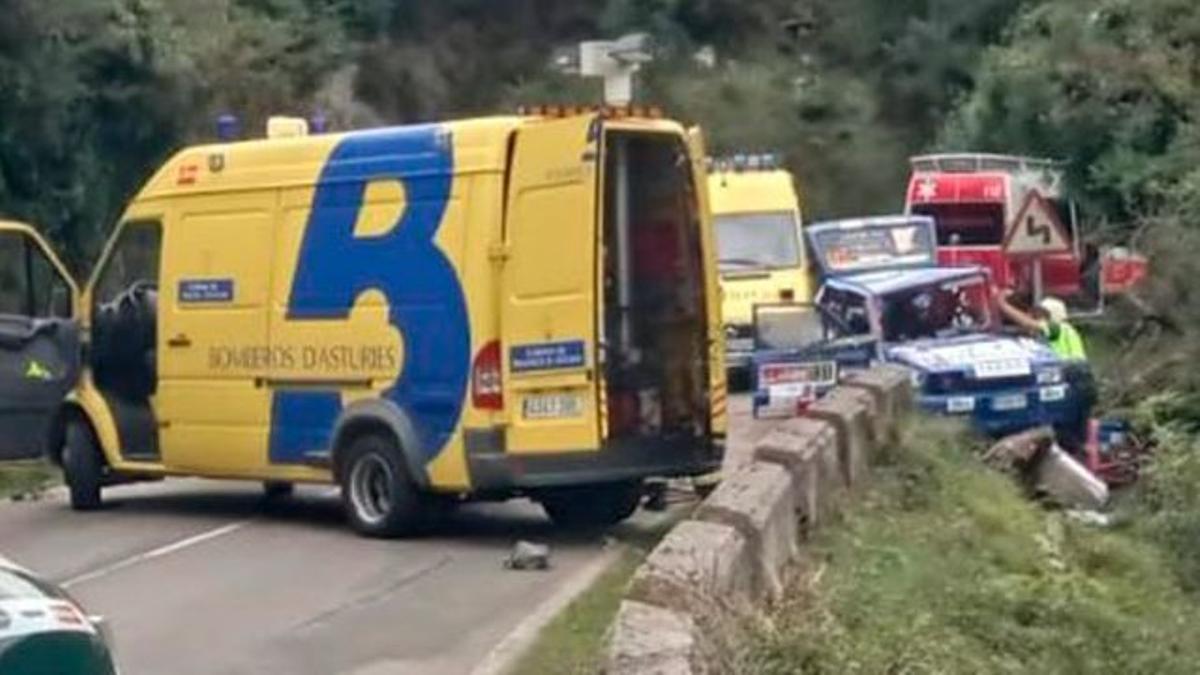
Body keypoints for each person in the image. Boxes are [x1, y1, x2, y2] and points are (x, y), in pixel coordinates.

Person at [994, 289, 1094, 451]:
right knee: (1075, 433)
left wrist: (1003, 305)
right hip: (1082, 380)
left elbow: (1028, 324)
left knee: (1066, 432)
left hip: (1074, 379)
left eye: (1041, 315)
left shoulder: (1058, 329)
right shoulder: (1065, 332)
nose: (1036, 319)